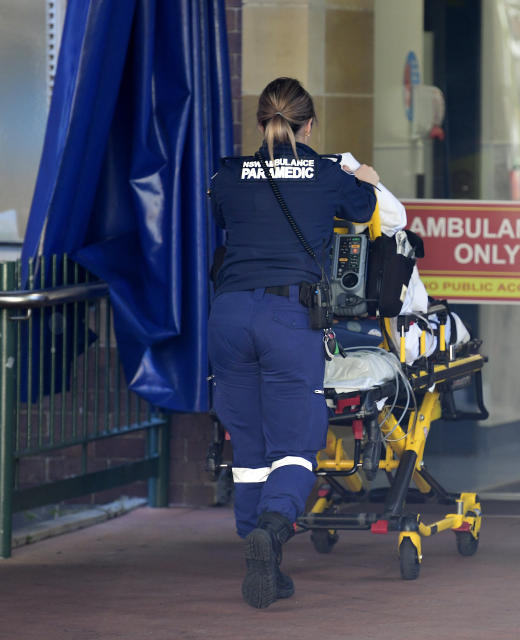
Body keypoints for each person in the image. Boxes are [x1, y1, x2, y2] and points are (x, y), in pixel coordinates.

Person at [207, 77, 379, 607]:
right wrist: (364, 177)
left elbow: (224, 221)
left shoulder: (227, 173)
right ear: (310, 126)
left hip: (230, 314)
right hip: (288, 315)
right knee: (296, 444)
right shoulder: (327, 172)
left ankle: (261, 557)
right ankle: (276, 527)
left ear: (261, 123)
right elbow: (363, 209)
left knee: (249, 444)